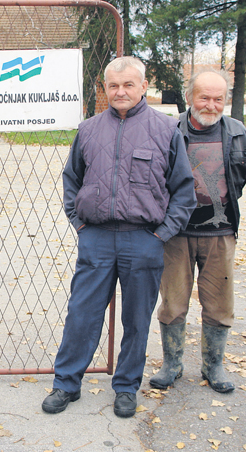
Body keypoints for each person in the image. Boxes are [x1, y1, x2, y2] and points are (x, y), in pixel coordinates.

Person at [42, 56, 195, 418]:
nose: (120, 91)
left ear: (144, 86)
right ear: (105, 88)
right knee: (82, 314)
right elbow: (71, 181)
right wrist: (80, 225)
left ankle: (126, 387)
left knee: (137, 319)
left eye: (128, 84)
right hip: (96, 238)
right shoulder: (89, 129)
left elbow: (184, 191)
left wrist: (161, 234)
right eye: (114, 85)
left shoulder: (166, 129)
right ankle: (66, 383)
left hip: (143, 240)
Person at [150, 70, 246, 394]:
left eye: (218, 99)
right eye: (204, 97)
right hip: (176, 235)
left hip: (220, 235)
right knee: (172, 303)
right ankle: (172, 364)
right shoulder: (167, 131)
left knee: (219, 306)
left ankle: (214, 365)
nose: (211, 105)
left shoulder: (238, 134)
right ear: (189, 98)